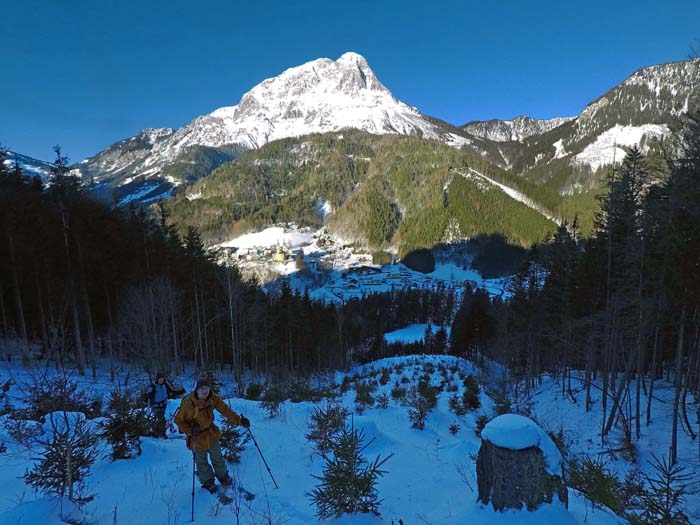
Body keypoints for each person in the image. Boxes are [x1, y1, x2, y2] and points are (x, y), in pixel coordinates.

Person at [174, 378, 250, 493]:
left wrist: (239, 421)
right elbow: (179, 420)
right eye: (202, 389)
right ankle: (207, 481)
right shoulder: (188, 404)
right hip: (197, 437)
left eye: (208, 389)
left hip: (211, 433)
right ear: (197, 390)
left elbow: (225, 410)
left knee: (217, 456)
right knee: (201, 461)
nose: (205, 392)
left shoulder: (212, 398)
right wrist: (189, 430)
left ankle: (223, 476)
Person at [145, 372, 185, 437]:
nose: (161, 380)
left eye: (162, 378)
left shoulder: (165, 385)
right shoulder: (153, 386)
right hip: (155, 407)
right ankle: (161, 434)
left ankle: (156, 431)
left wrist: (181, 391)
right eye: (160, 379)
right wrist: (148, 397)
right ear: (157, 379)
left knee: (161, 419)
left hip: (164, 406)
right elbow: (147, 396)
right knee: (161, 419)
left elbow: (173, 391)